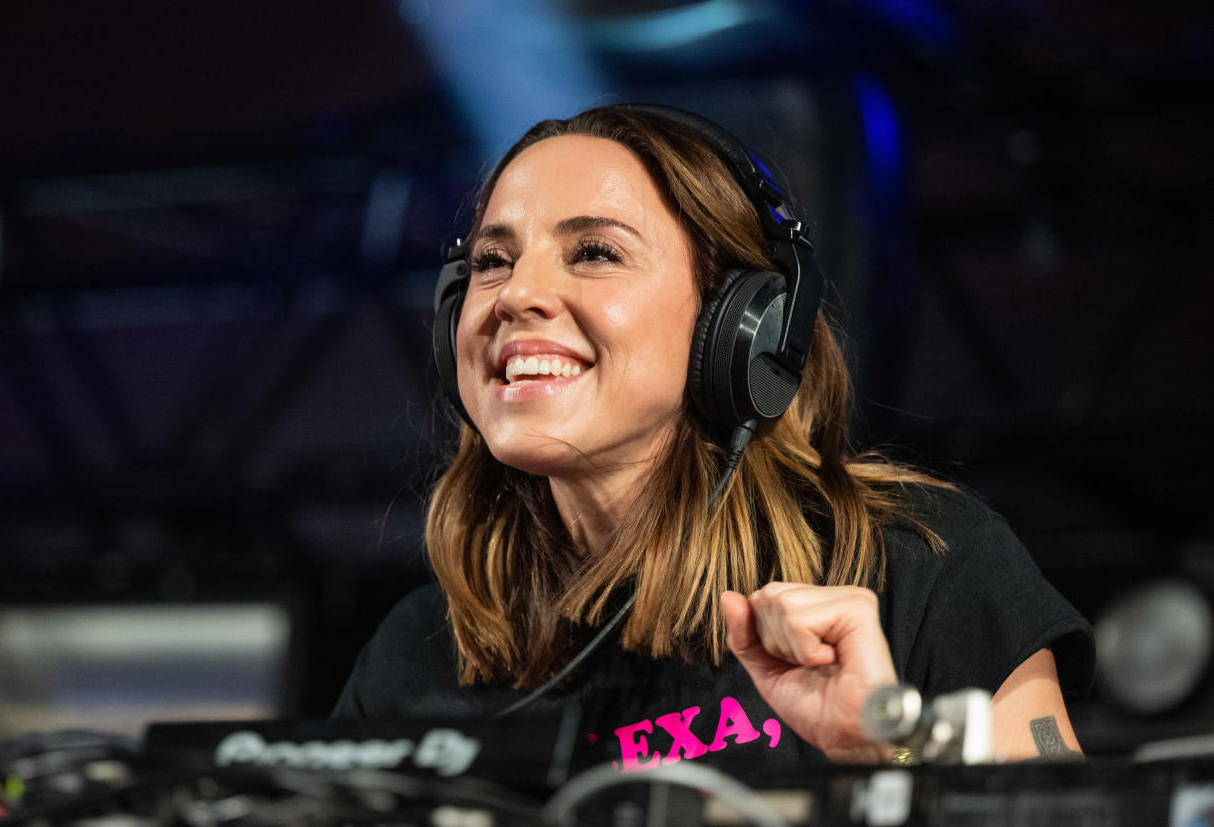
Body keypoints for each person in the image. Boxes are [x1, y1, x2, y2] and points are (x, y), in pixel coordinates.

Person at [334, 103, 1094, 777]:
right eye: (491, 262)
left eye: (595, 252)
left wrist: (888, 756)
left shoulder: (924, 569)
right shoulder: (417, 653)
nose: (515, 295)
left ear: (742, 327)